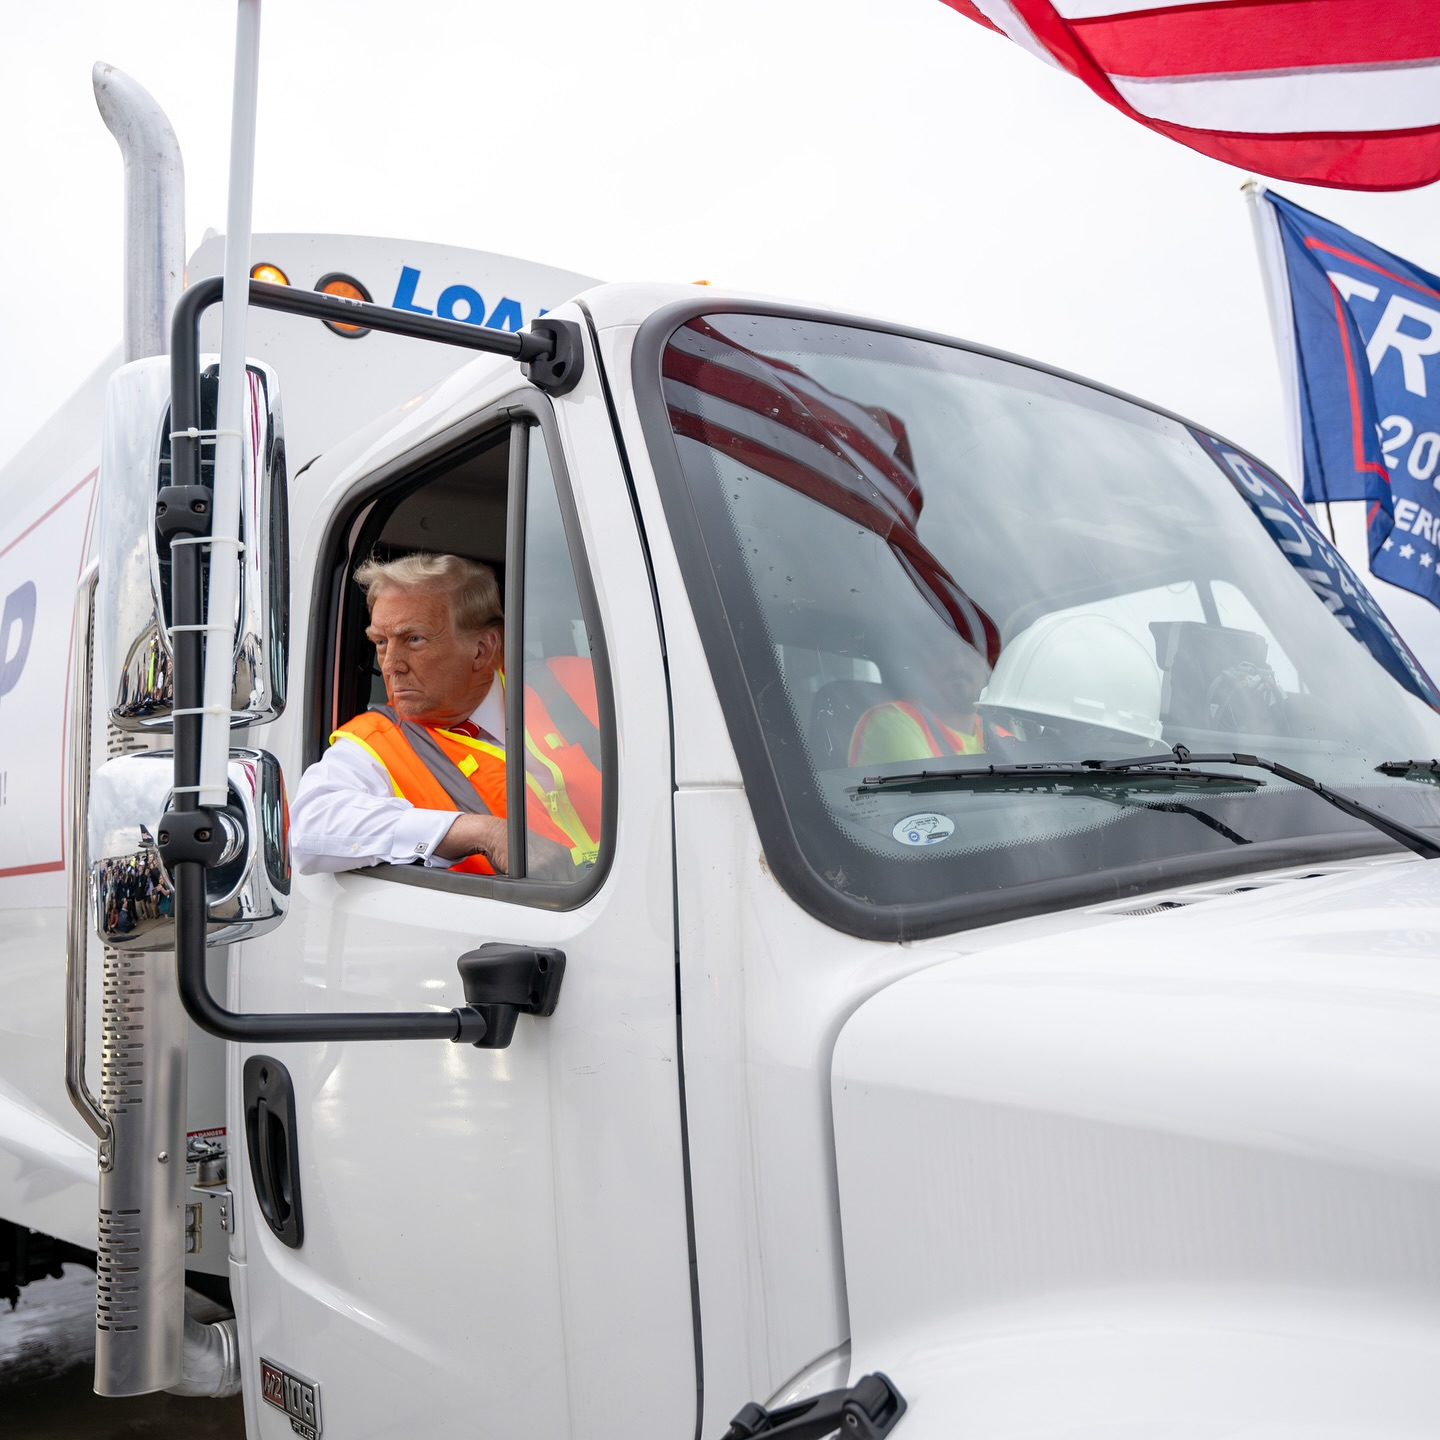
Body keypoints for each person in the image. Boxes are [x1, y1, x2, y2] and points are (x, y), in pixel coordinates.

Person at [290, 553, 601, 879]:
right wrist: (482, 833)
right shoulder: (375, 743)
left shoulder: (578, 683)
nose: (391, 665)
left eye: (414, 639)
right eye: (381, 642)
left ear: (483, 648)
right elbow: (308, 829)